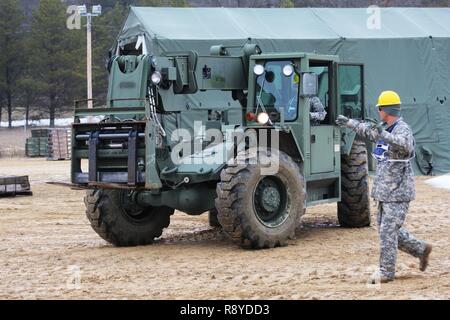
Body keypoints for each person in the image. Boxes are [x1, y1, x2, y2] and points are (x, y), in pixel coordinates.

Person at [336, 90, 432, 284]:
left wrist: (384, 134)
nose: (378, 111)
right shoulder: (384, 127)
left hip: (398, 191)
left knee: (388, 231)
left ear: (385, 109)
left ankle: (386, 272)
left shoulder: (402, 129)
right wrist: (348, 122)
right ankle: (420, 249)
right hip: (384, 191)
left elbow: (405, 146)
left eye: (380, 108)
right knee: (387, 230)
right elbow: (367, 130)